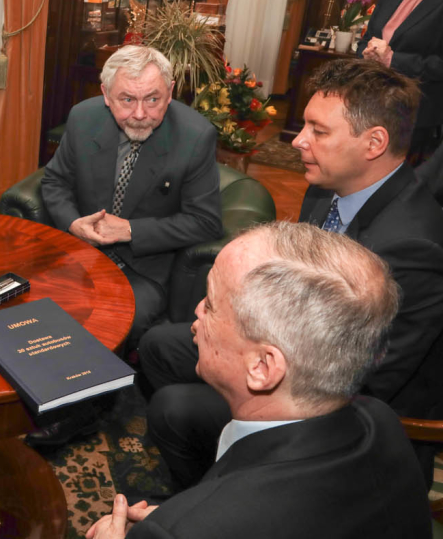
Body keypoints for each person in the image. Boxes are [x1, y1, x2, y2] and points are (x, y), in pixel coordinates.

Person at [140, 58, 443, 490]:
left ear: (374, 142)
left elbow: (366, 379)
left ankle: (224, 498)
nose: (299, 141)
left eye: (319, 131)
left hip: (338, 406)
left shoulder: (414, 247)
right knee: (159, 345)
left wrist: (247, 374)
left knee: (174, 409)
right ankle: (214, 469)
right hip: (288, 346)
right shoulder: (326, 189)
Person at [87, 222, 431, 539]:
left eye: (211, 303)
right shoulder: (379, 419)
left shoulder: (183, 530)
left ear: (262, 367)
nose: (197, 310)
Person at [26, 44, 222, 448]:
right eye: (127, 100)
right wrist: (73, 222)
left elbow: (205, 221)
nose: (140, 113)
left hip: (144, 266)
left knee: (108, 323)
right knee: (32, 301)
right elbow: (55, 181)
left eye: (153, 99)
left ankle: (81, 410)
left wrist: (130, 230)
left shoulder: (195, 135)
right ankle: (32, 387)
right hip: (82, 249)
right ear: (105, 94)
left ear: (170, 91)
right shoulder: (83, 117)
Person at [358, 0, 443, 163]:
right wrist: (367, 53)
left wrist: (392, 59)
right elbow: (366, 40)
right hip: (371, 103)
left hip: (416, 115)